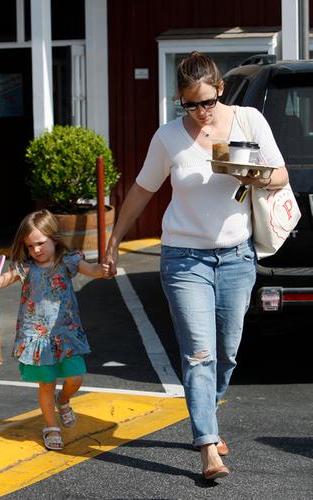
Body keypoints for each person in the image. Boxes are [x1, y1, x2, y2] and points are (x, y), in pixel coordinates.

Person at [104, 51, 289, 480]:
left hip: (238, 257)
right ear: (179, 100)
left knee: (226, 351)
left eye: (206, 102)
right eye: (189, 105)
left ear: (220, 90)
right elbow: (141, 191)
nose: (199, 113)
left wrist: (255, 176)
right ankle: (207, 446)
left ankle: (208, 411)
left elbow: (279, 174)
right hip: (184, 259)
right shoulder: (169, 137)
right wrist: (114, 239)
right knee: (199, 354)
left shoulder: (248, 122)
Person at [0, 209, 110, 451]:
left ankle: (64, 400)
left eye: (40, 243)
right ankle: (51, 426)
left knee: (75, 377)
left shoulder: (68, 261)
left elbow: (91, 270)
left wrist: (102, 270)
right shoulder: (26, 268)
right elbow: (1, 282)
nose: (35, 250)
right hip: (37, 336)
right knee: (46, 384)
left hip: (65, 333)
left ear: (54, 239)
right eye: (30, 246)